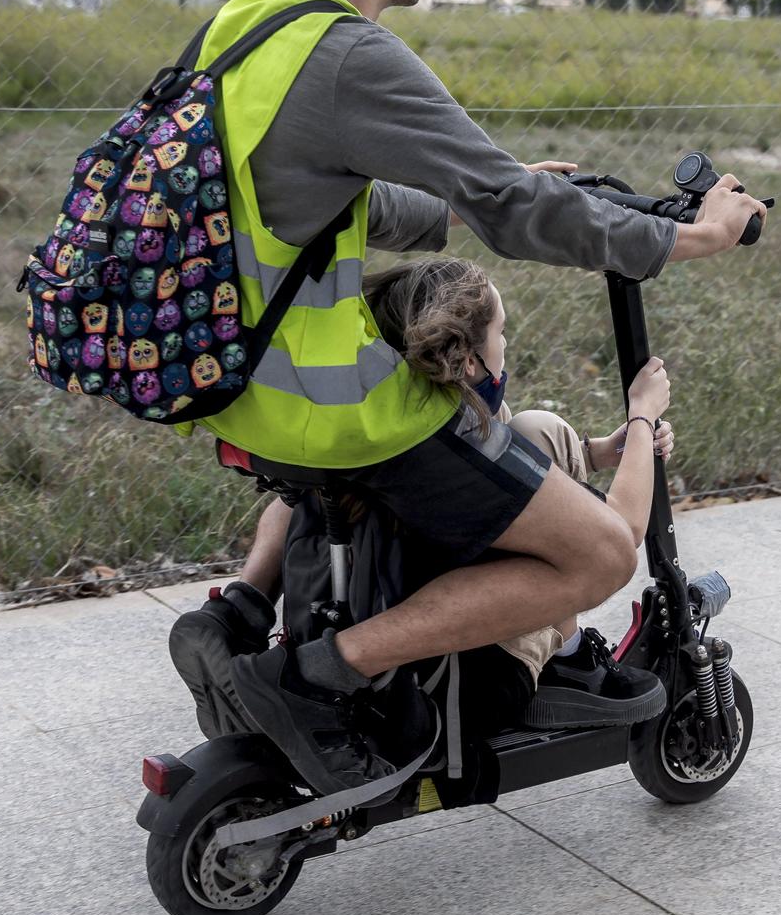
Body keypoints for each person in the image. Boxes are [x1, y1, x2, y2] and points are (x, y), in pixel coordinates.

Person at [168, 0, 766, 794]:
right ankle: (320, 674)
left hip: (243, 394)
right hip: (342, 417)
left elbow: (318, 193)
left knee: (514, 446)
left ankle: (261, 621)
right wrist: (688, 237)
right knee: (600, 554)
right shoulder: (348, 53)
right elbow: (516, 210)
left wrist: (460, 194)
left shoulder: (244, 30)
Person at [171, 257, 674, 742]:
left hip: (385, 619)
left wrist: (599, 453)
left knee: (535, 429)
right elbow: (620, 537)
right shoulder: (465, 451)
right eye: (501, 333)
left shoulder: (389, 414)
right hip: (466, 681)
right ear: (470, 359)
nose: (506, 343)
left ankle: (241, 609)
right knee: (580, 541)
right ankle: (563, 660)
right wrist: (642, 416)